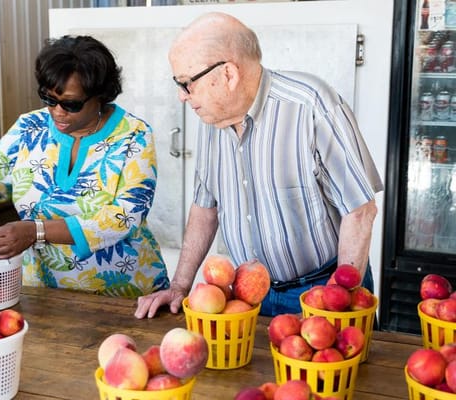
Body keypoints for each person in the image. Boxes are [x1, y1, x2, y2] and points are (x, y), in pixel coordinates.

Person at [134, 12, 383, 318]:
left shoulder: (311, 105)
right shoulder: (212, 119)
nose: (182, 96)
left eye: (187, 84)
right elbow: (205, 208)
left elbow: (360, 209)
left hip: (321, 290)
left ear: (228, 74)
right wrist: (179, 286)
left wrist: (338, 300)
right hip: (247, 294)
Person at [0, 35, 170, 298]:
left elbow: (124, 217)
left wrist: (36, 231)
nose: (57, 112)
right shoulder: (30, 127)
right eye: (49, 99)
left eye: (71, 104)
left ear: (100, 95)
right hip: (43, 292)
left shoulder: (134, 135)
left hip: (123, 294)